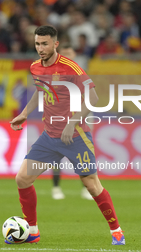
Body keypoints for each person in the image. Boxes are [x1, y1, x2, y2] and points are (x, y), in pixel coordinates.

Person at [8, 25, 125, 245]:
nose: (40, 48)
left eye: (44, 44)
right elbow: (40, 92)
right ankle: (32, 231)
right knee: (22, 179)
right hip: (49, 137)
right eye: (37, 44)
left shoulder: (70, 67)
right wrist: (24, 113)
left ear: (55, 44)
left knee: (91, 185)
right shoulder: (35, 67)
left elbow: (94, 96)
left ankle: (116, 231)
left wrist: (72, 122)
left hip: (76, 136)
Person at [50, 43, 93, 201]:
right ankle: (56, 187)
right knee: (56, 154)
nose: (67, 56)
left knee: (83, 154)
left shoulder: (80, 73)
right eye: (64, 54)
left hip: (80, 117)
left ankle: (87, 188)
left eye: (70, 53)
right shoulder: (54, 74)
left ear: (74, 55)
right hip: (59, 119)